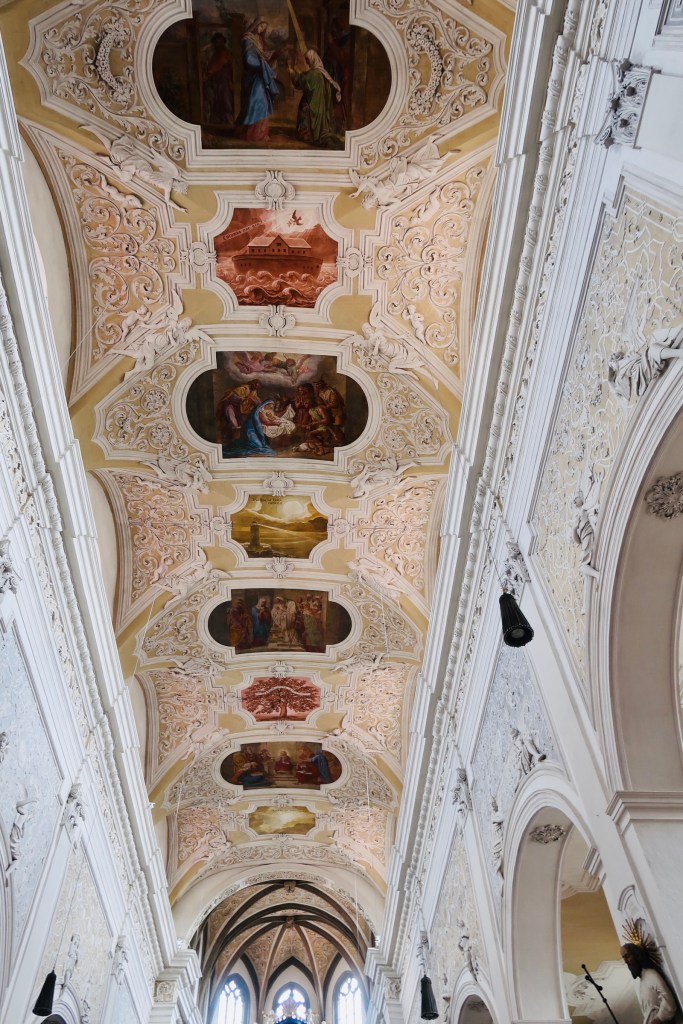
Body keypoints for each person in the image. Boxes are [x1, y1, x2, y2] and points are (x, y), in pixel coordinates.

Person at [288, 48, 342, 148]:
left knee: (303, 108)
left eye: (308, 60)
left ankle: (308, 135)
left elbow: (299, 81)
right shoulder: (323, 74)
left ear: (312, 59)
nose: (307, 63)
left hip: (313, 107)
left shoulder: (313, 74)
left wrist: (291, 70)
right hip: (321, 107)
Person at [236, 19, 280, 143]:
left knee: (262, 104)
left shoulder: (259, 39)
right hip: (253, 76)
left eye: (264, 27)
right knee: (256, 103)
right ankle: (252, 135)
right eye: (261, 26)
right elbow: (249, 60)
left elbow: (261, 55)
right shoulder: (248, 39)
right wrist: (262, 64)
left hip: (260, 76)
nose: (262, 29)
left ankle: (261, 134)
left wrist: (271, 56)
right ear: (256, 24)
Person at [621, 943, 680, 1023]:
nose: (626, 961)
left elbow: (669, 1001)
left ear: (637, 955)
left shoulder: (652, 975)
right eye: (624, 958)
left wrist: (658, 1018)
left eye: (627, 956)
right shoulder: (643, 981)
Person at [204, 32, 233, 124]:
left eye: (219, 42)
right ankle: (222, 122)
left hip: (224, 81)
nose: (217, 44)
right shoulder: (216, 54)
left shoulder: (223, 52)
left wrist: (208, 74)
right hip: (218, 82)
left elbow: (218, 64)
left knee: (225, 101)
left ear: (222, 42)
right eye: (216, 42)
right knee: (218, 102)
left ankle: (229, 121)